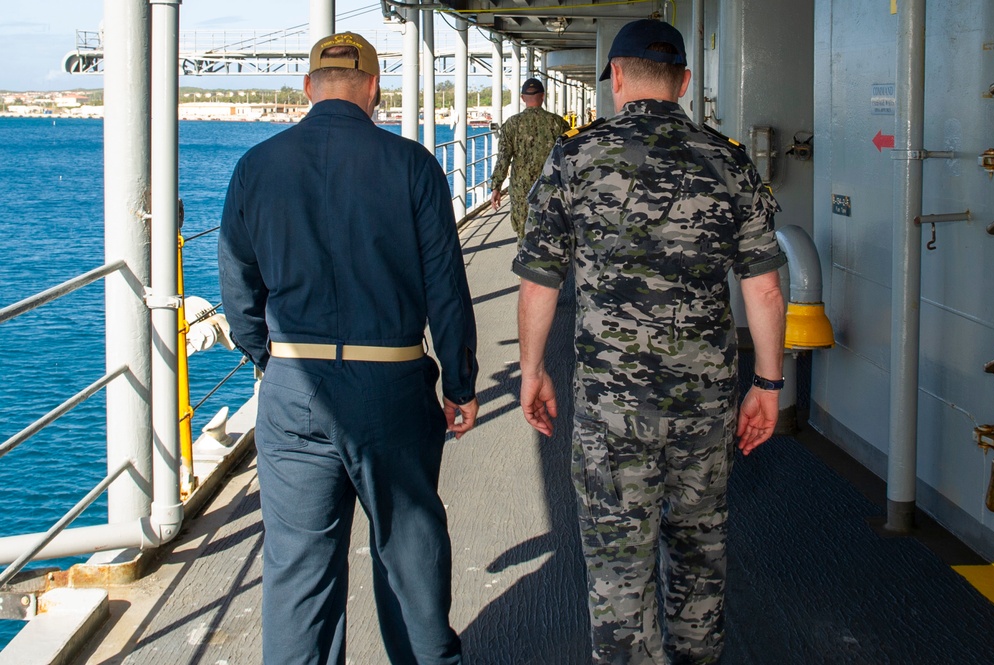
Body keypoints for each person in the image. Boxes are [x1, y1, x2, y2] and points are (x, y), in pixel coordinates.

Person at [512, 19, 787, 665]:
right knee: (699, 552)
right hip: (703, 401)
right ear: (684, 82)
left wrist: (531, 370)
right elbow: (765, 290)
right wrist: (768, 385)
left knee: (616, 563)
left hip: (612, 407)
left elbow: (538, 283)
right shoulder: (727, 157)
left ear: (614, 79)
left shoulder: (573, 155)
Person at [219, 32, 479, 665]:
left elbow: (237, 283)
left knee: (298, 573)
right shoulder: (412, 164)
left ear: (309, 88)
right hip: (389, 386)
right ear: (374, 90)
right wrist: (460, 384)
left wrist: (268, 360)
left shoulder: (256, 166)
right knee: (409, 558)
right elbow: (445, 286)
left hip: (293, 387)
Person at [489, 78, 570, 242]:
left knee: (523, 233)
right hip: (550, 188)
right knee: (551, 232)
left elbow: (503, 157)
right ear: (543, 96)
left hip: (521, 191)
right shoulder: (558, 123)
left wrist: (496, 187)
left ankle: (524, 263)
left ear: (522, 97)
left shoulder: (512, 124)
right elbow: (569, 156)